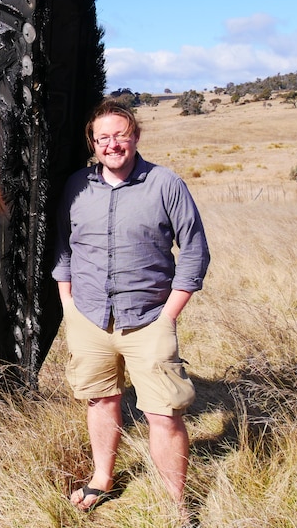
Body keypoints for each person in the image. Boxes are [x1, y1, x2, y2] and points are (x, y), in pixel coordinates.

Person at [52, 99, 210, 515]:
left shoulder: (165, 184)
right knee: (101, 400)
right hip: (88, 317)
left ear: (135, 136)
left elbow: (193, 251)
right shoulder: (77, 185)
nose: (112, 144)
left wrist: (169, 314)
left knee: (163, 412)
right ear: (93, 143)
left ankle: (175, 504)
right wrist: (68, 303)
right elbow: (63, 248)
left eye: (120, 135)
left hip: (149, 319)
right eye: (103, 138)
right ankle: (102, 480)